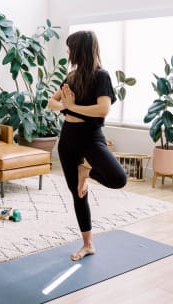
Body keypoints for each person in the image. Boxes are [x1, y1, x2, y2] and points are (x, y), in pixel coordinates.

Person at [48, 30, 127, 261]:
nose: (67, 51)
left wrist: (71, 107)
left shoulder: (101, 76)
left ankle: (87, 171)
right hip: (68, 139)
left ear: (79, 49)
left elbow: (103, 109)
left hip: (91, 137)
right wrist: (64, 106)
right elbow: (51, 102)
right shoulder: (71, 77)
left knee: (117, 178)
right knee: (77, 194)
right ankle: (87, 244)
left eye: (70, 47)